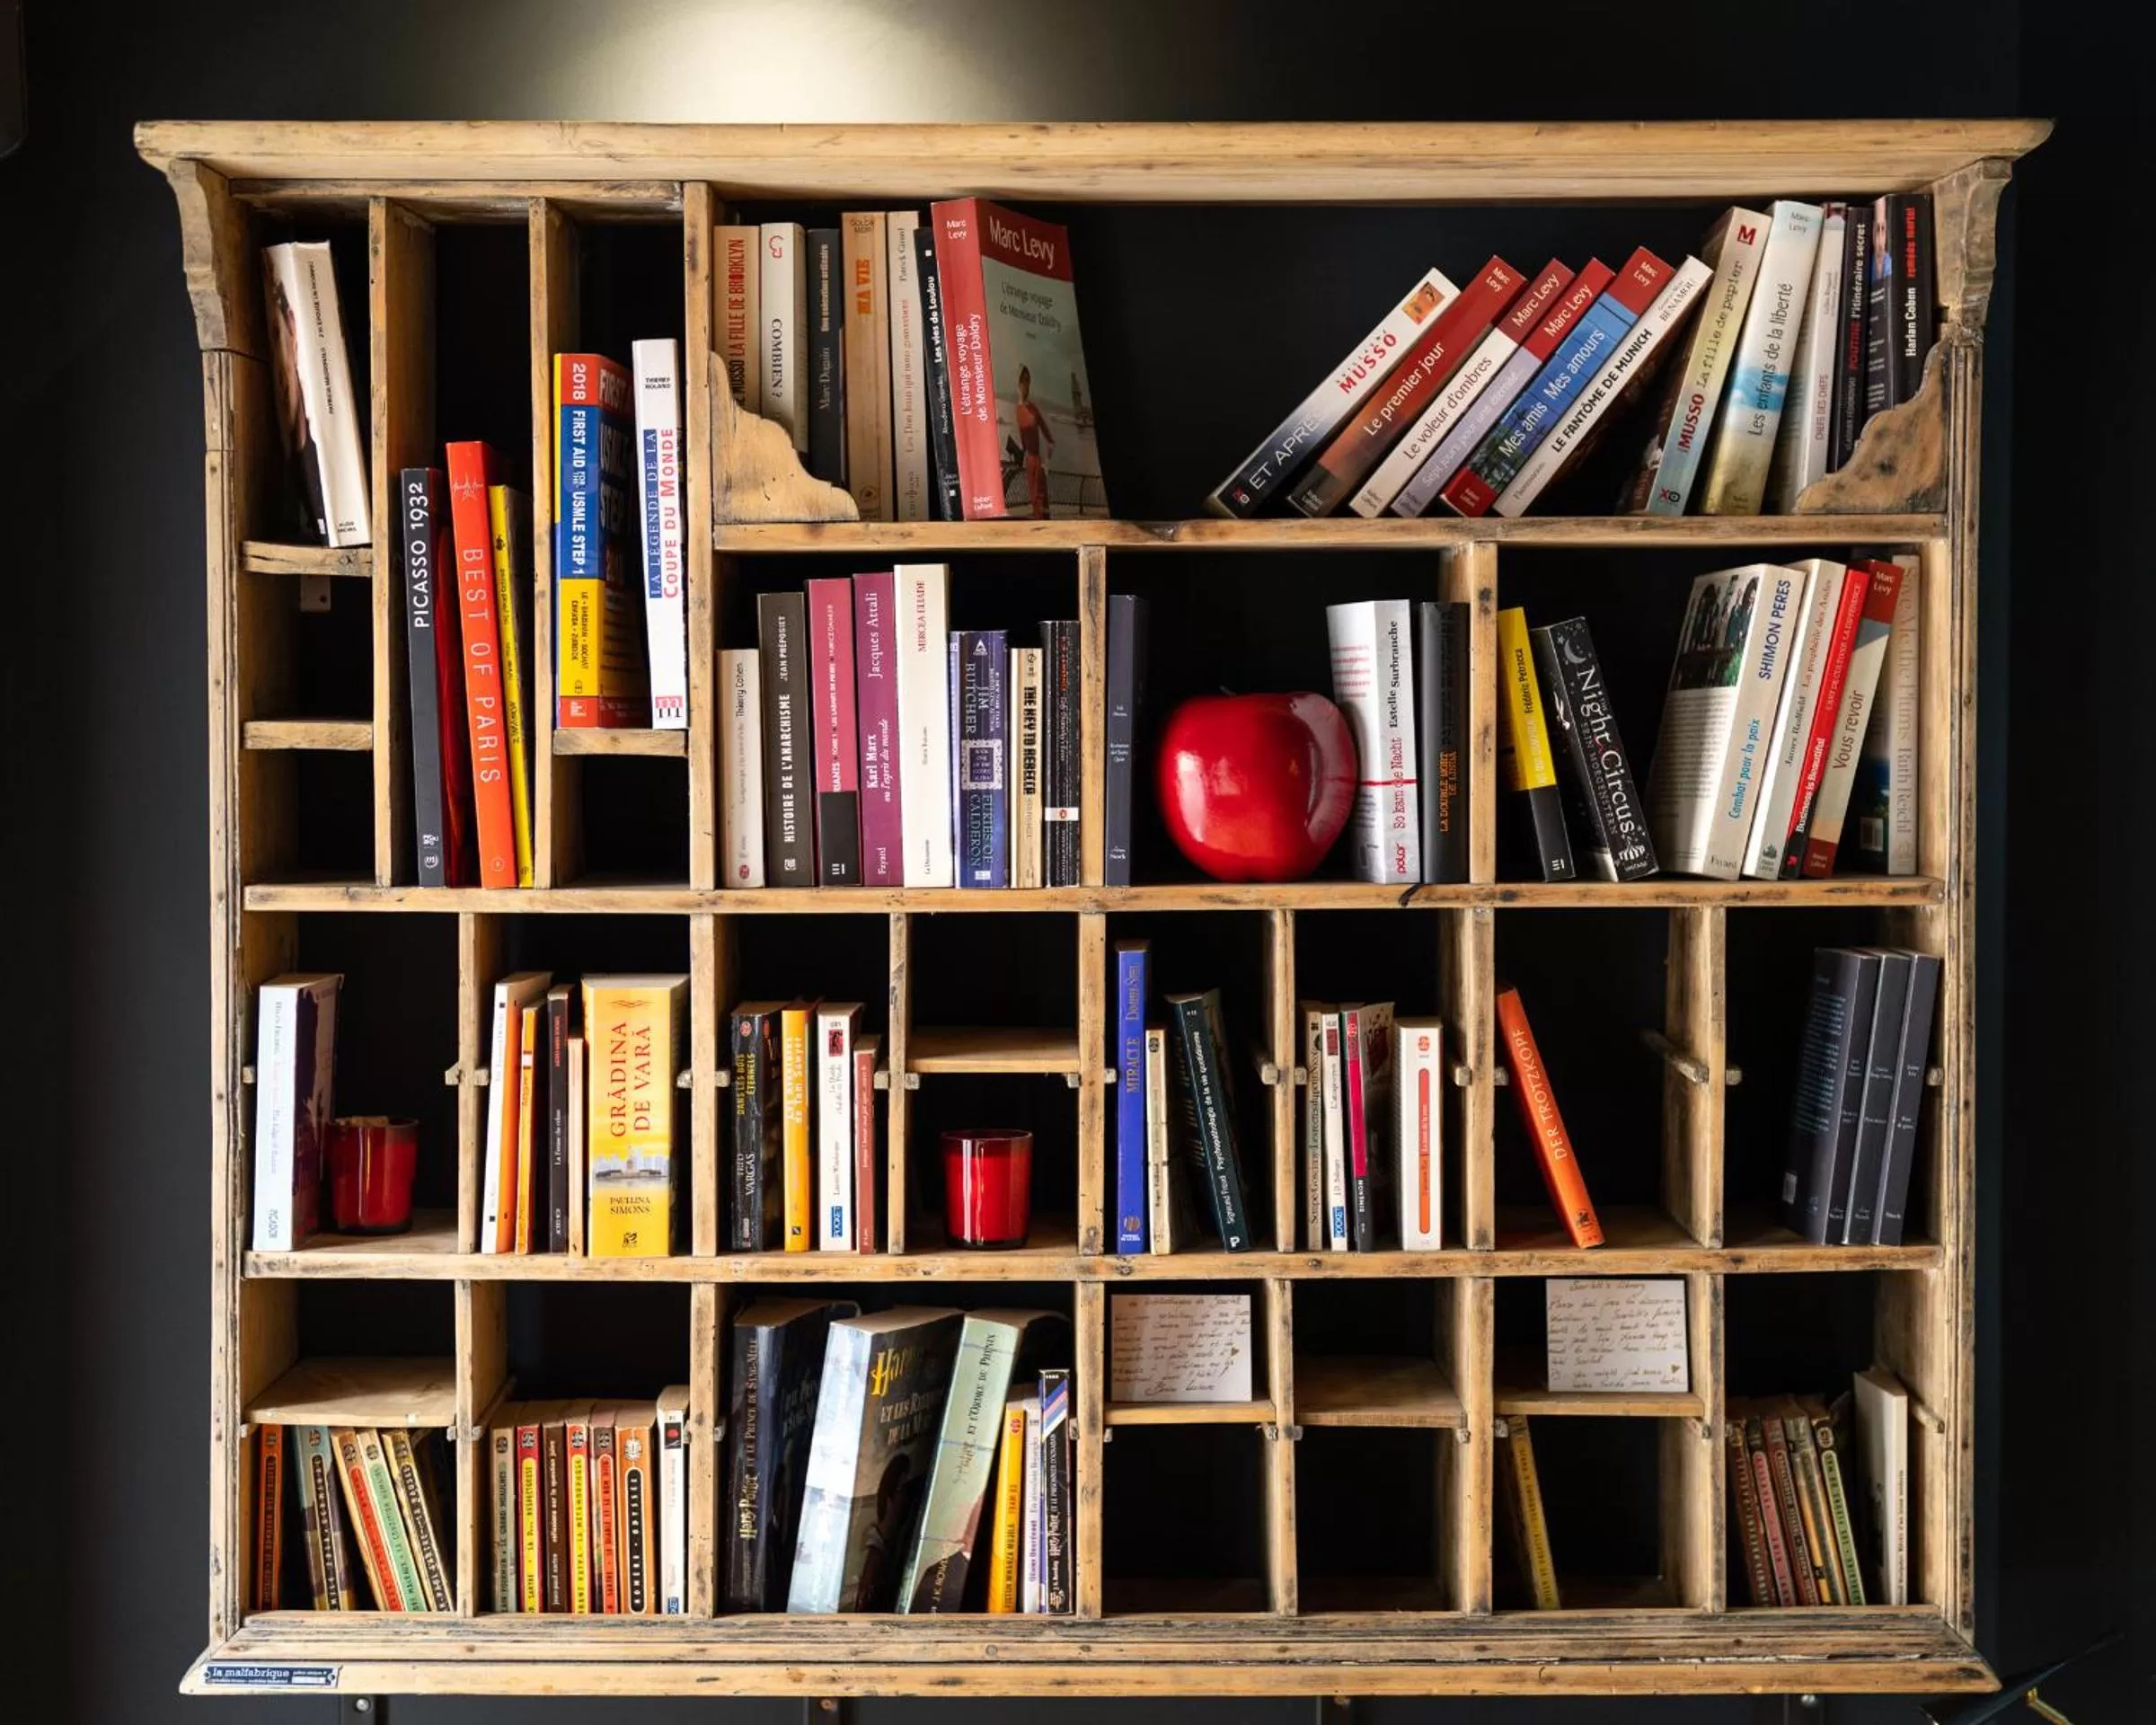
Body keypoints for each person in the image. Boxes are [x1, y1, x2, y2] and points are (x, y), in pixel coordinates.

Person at [1013, 365, 1055, 518]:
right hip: (1029, 461)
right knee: (1035, 500)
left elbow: (1050, 440)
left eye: (1028, 380)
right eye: (1024, 380)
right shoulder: (1018, 411)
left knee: (1042, 500)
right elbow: (1021, 441)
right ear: (1018, 384)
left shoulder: (1033, 408)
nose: (1027, 384)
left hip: (1038, 461)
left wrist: (1047, 464)